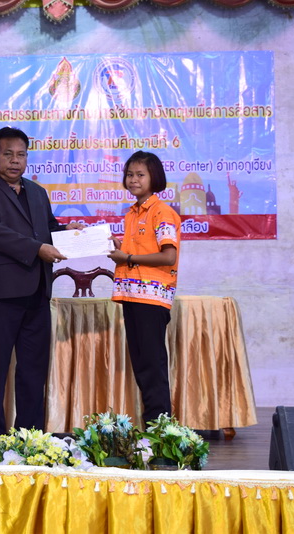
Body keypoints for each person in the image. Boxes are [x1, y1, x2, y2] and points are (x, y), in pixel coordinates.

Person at [0, 126, 83, 439]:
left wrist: (67, 231)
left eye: (21, 155)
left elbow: (46, 229)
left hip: (38, 290)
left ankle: (30, 435)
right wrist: (37, 248)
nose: (15, 161)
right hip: (1, 292)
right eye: (8, 154)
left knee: (33, 368)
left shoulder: (37, 192)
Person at [107, 151, 181, 426]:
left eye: (140, 174)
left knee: (152, 366)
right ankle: (152, 427)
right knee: (141, 365)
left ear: (154, 178)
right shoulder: (132, 213)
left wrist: (127, 257)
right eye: (129, 174)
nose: (133, 180)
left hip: (151, 299)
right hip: (132, 296)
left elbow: (168, 256)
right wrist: (120, 248)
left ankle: (160, 431)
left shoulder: (161, 212)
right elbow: (138, 251)